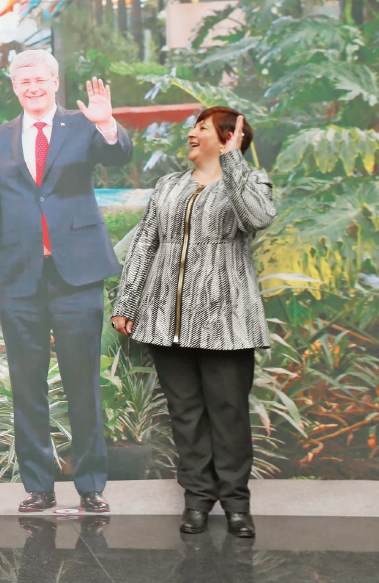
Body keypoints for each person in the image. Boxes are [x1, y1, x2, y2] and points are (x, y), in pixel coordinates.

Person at [0, 49, 133, 513]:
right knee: (27, 384)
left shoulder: (82, 126)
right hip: (19, 276)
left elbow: (119, 155)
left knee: (82, 381)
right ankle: (38, 487)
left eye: (39, 79)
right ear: (14, 87)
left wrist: (106, 124)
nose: (32, 87)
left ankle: (90, 486)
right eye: (23, 81)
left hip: (76, 273)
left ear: (55, 81)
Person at [111, 108, 275, 538]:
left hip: (226, 324)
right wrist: (126, 302)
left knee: (229, 415)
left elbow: (257, 218)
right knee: (185, 414)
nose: (191, 134)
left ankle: (238, 505)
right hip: (166, 321)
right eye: (194, 127)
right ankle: (197, 500)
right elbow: (145, 244)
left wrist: (236, 163)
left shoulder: (251, 185)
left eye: (201, 128)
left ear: (227, 139)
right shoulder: (168, 186)